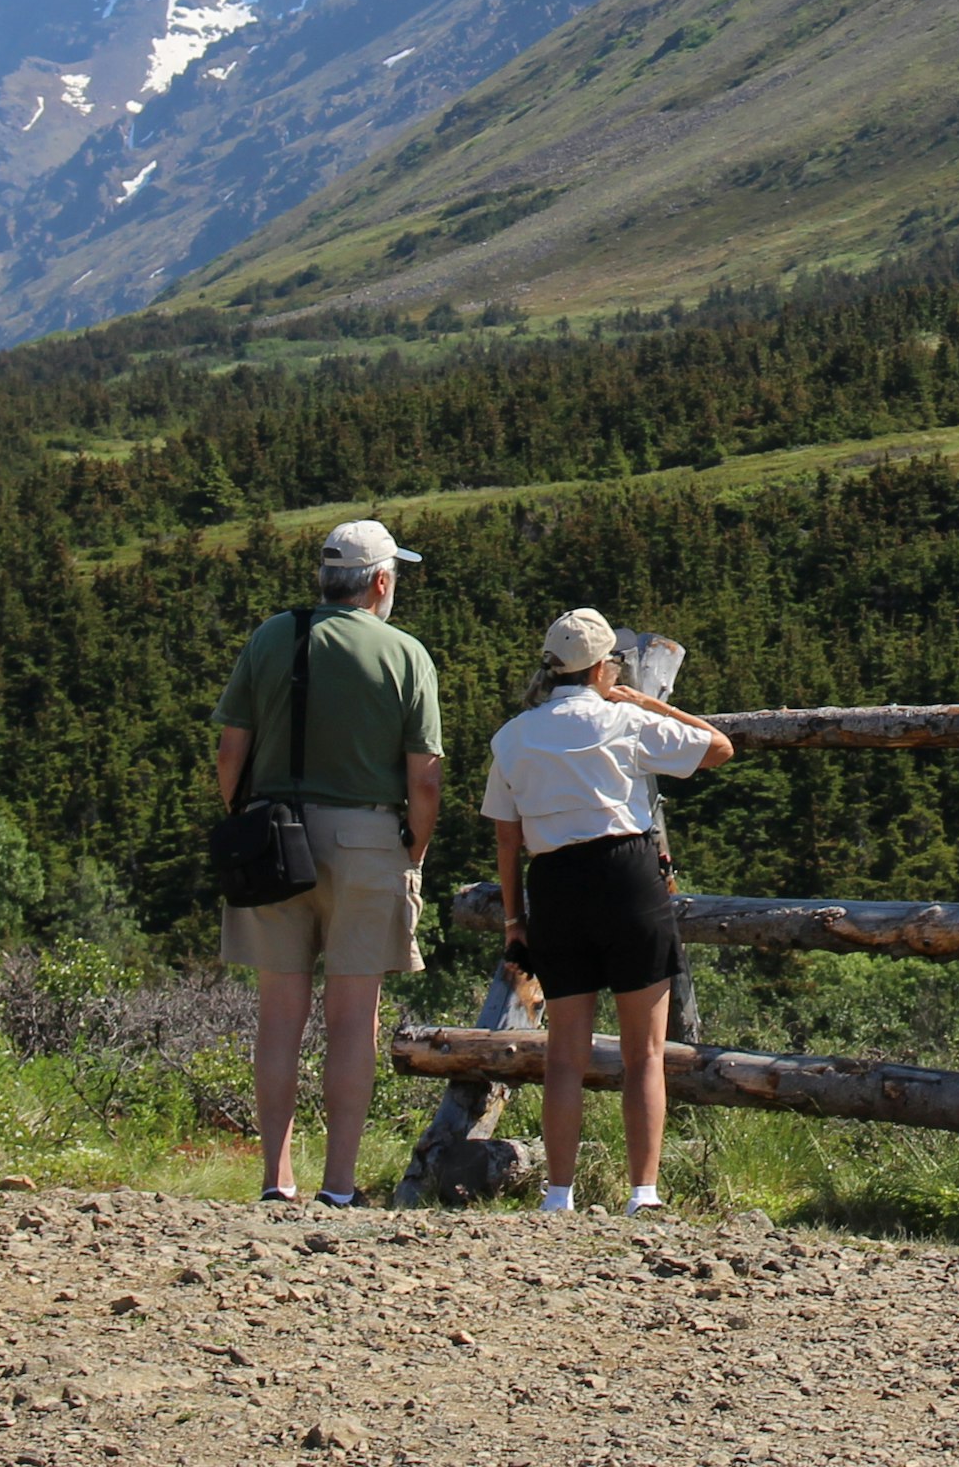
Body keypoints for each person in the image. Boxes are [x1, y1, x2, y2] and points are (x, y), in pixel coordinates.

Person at [212, 518, 445, 1206]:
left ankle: (274, 1178)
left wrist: (244, 818)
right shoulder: (405, 654)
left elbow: (231, 752)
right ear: (379, 582)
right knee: (353, 1016)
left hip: (272, 834)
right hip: (369, 839)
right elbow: (424, 776)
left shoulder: (271, 636)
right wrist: (414, 850)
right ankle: (338, 1185)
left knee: (280, 1012)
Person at [482, 608, 735, 1215]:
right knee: (642, 1050)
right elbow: (719, 749)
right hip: (627, 877)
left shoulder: (513, 736)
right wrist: (650, 705)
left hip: (557, 884)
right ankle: (642, 1192)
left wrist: (516, 921)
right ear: (602, 667)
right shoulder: (625, 720)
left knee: (565, 1051)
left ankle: (559, 1193)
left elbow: (507, 838)